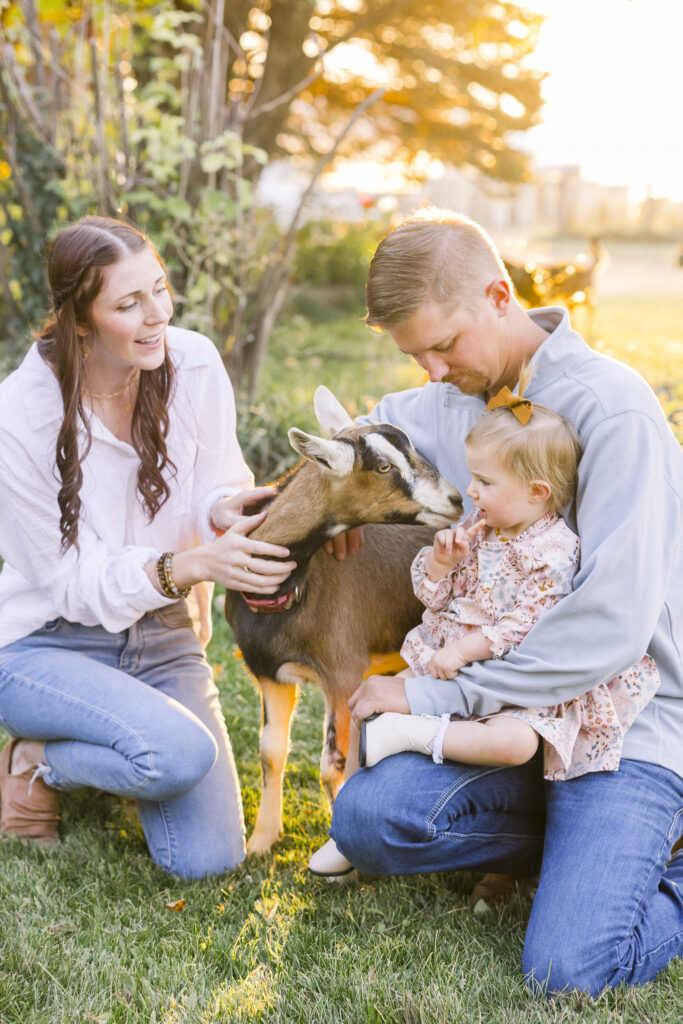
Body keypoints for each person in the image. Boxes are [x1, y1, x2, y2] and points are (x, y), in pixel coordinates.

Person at [323, 208, 683, 996]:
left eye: (442, 344)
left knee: (568, 969)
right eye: (413, 353)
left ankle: (657, 849)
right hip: (512, 728)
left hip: (623, 723)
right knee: (367, 821)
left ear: (498, 294)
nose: (430, 369)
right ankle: (562, 851)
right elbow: (365, 436)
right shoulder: (452, 399)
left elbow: (613, 625)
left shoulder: (613, 408)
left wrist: (433, 695)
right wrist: (266, 505)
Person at [0, 216, 297, 878]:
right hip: (44, 643)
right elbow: (70, 583)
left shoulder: (192, 363)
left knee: (207, 863)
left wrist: (220, 509)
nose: (156, 315)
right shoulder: (20, 415)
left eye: (158, 290)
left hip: (160, 635)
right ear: (80, 321)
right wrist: (186, 565)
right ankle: (31, 761)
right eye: (128, 304)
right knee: (176, 755)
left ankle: (85, 748)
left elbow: (217, 479)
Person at [309, 387, 659, 876]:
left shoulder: (556, 551)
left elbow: (530, 622)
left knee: (516, 743)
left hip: (515, 685)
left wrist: (468, 648)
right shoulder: (479, 530)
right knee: (368, 702)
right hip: (450, 667)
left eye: (484, 481)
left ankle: (412, 734)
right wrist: (438, 563)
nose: (470, 491)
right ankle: (344, 832)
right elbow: (433, 597)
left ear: (537, 492)